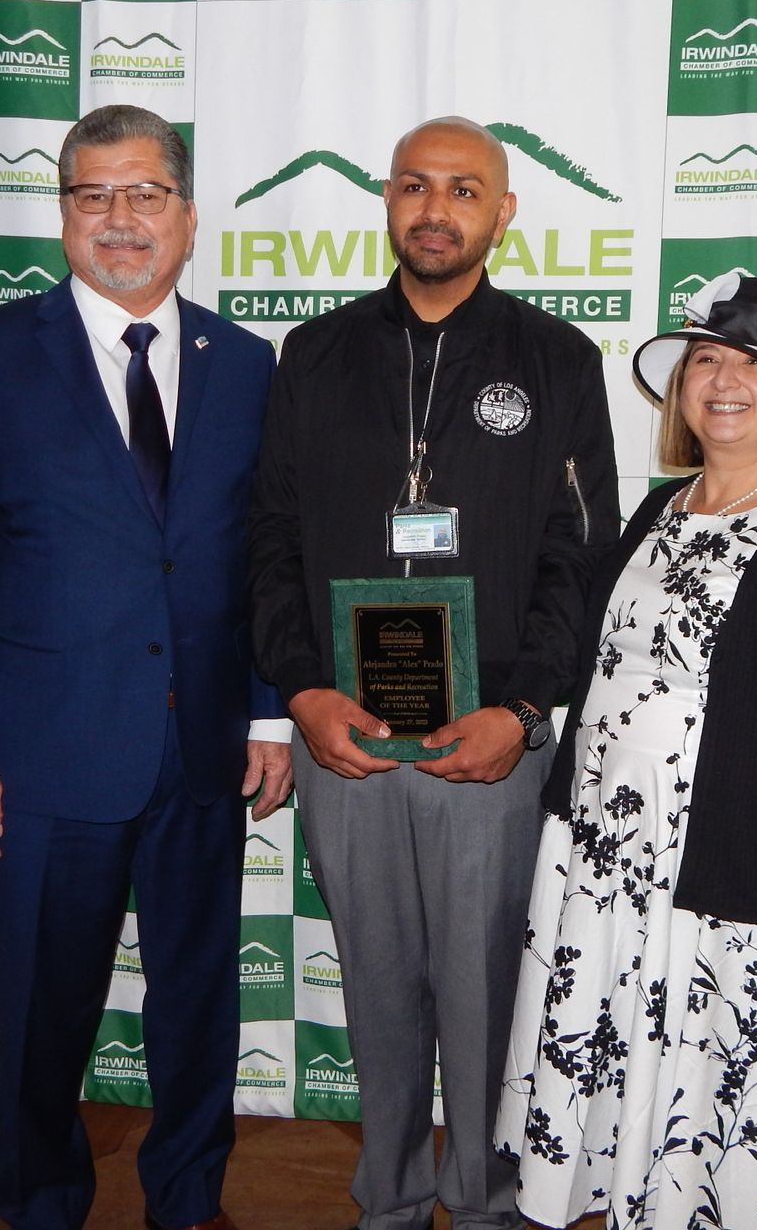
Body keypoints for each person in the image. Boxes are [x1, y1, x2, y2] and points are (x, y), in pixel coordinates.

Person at [0, 104, 292, 1230]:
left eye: (144, 195)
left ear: (186, 213)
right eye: (94, 196)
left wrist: (269, 717)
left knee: (198, 1004)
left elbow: (267, 556)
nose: (121, 220)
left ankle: (187, 1199)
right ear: (65, 215)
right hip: (43, 760)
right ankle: (40, 1203)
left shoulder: (249, 363)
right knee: (42, 1012)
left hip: (203, 754)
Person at [247, 116, 621, 1230]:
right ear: (388, 202)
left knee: (487, 988)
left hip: (488, 741)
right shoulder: (313, 356)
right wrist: (304, 690)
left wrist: (522, 706)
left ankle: (490, 1198)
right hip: (346, 738)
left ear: (503, 212)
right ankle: (393, 1197)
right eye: (415, 185)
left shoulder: (558, 360)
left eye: (464, 189)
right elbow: (269, 540)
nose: (435, 208)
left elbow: (581, 554)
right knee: (380, 987)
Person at [495, 270, 757, 1228]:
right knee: (636, 1138)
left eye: (753, 364)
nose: (724, 380)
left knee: (739, 1155)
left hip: (736, 899)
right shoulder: (657, 514)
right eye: (707, 359)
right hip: (615, 885)